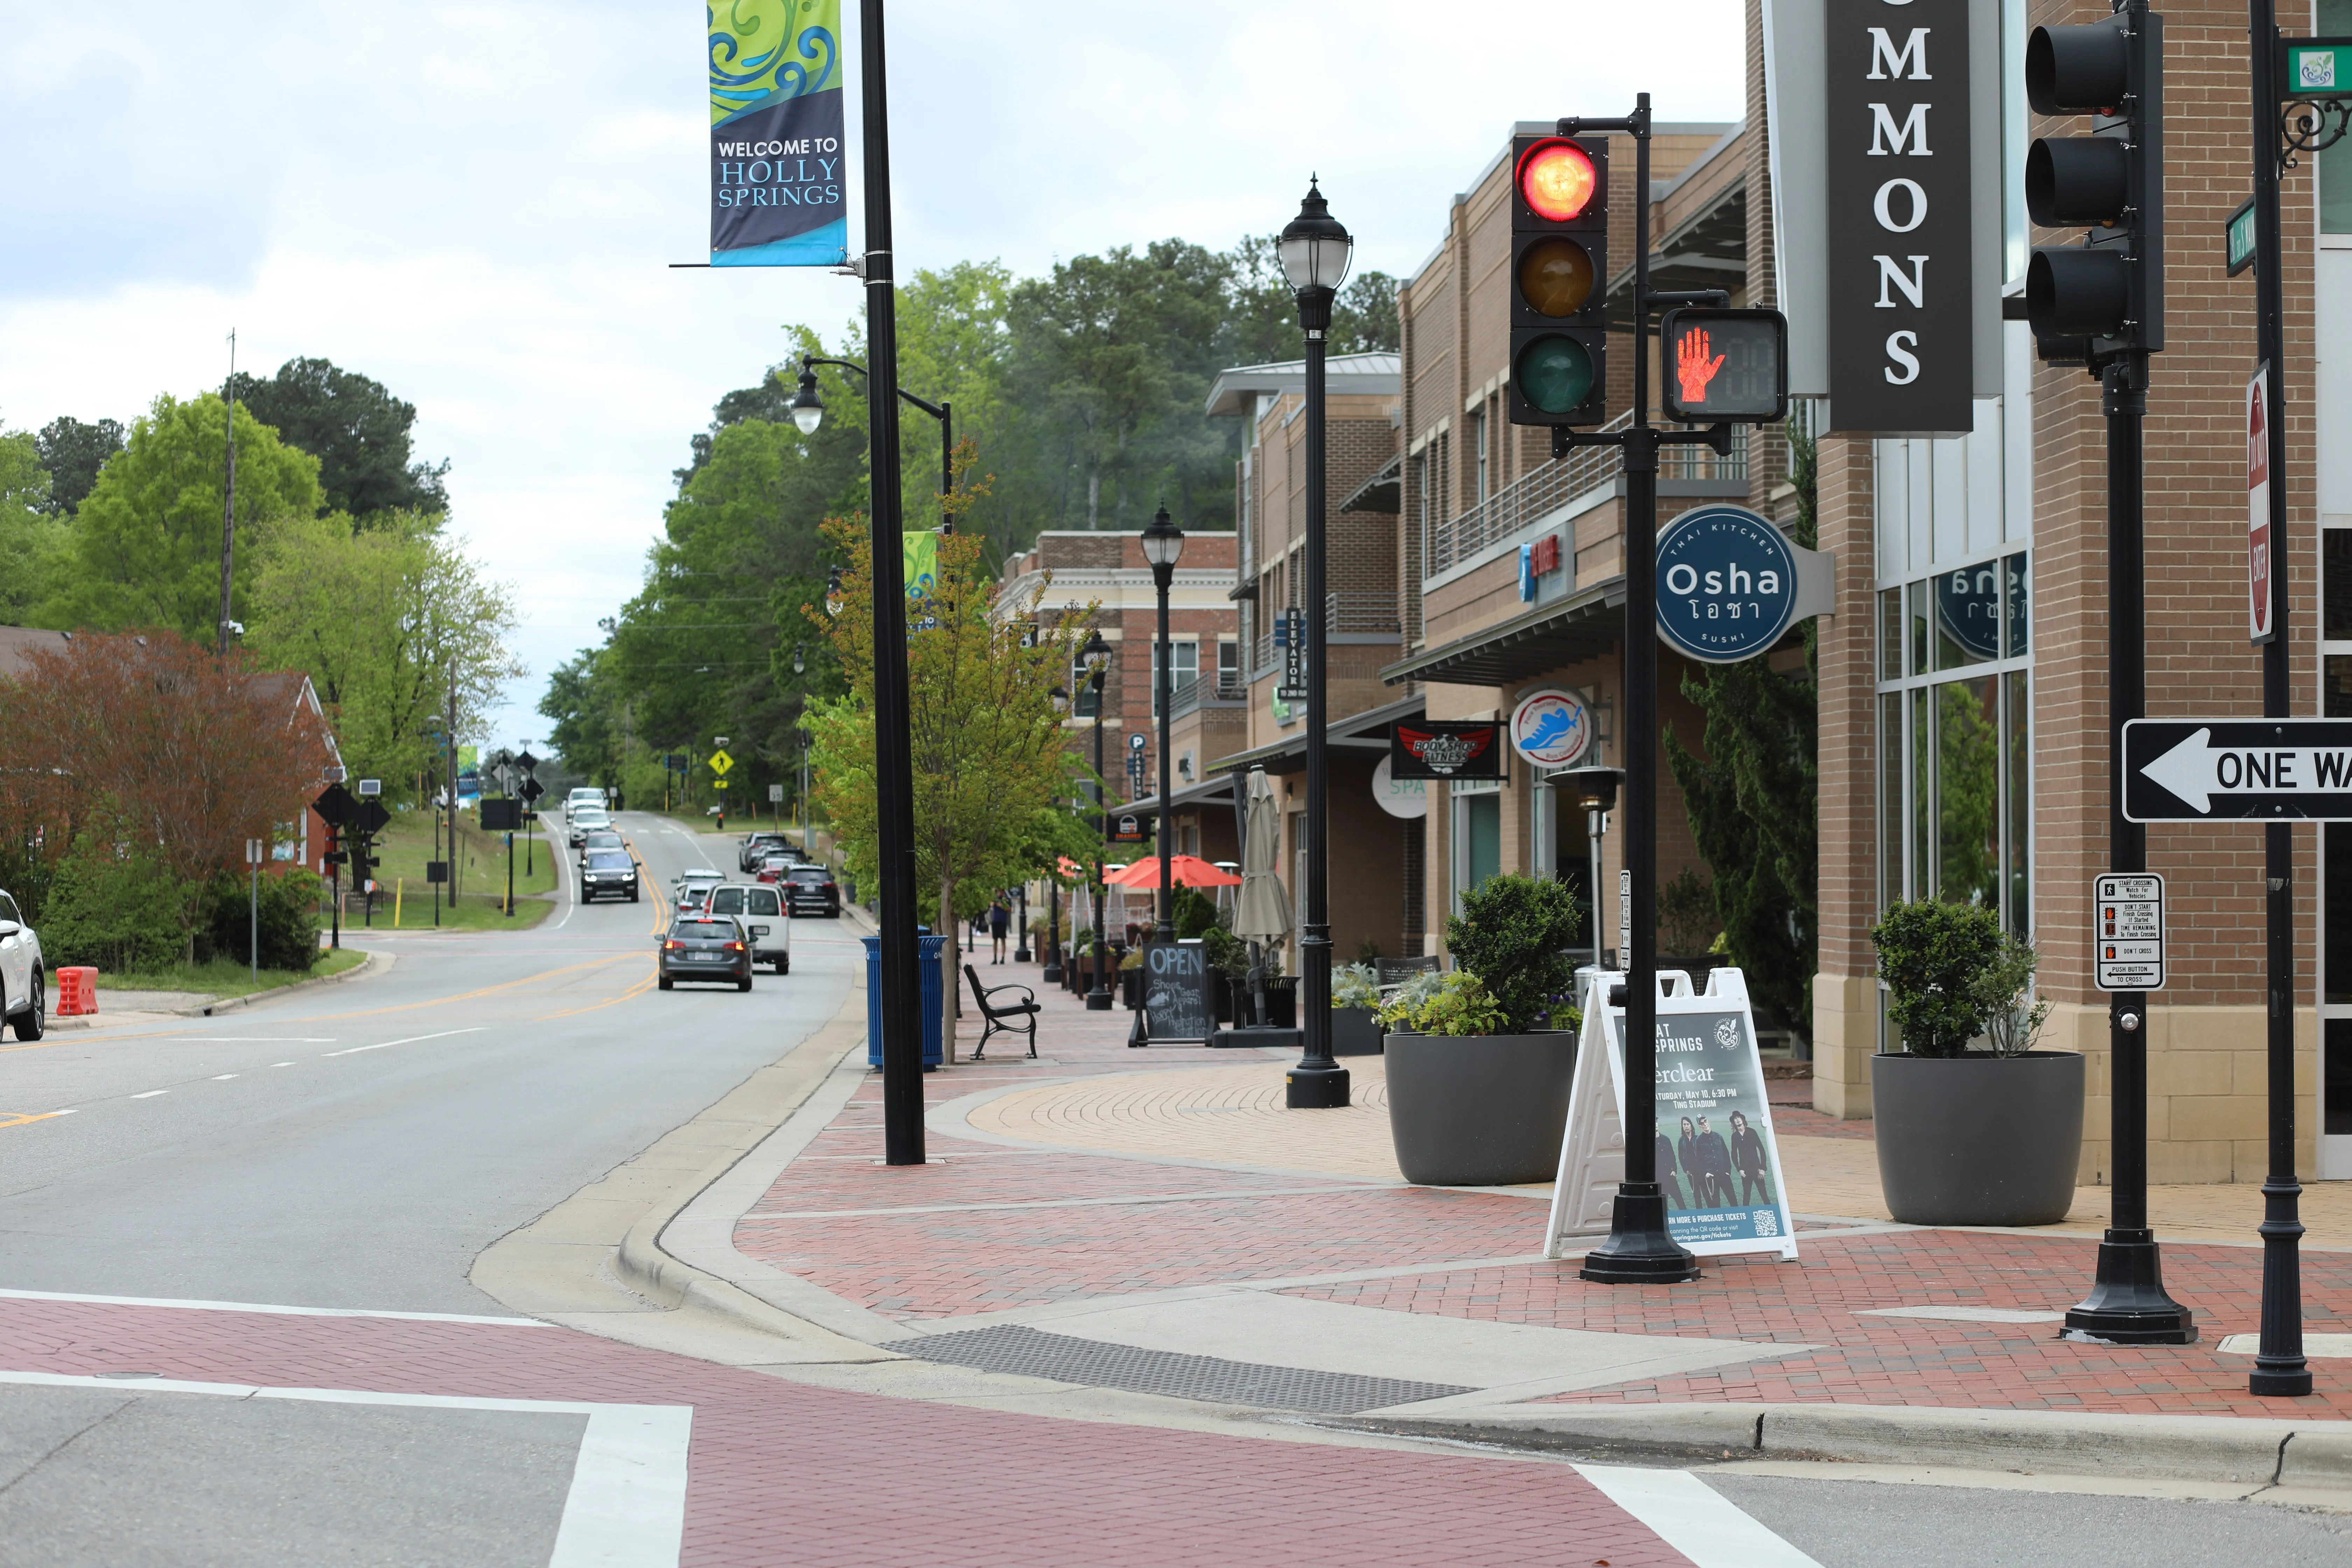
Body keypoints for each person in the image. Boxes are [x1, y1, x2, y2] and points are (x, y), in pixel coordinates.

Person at [1729, 1110, 1772, 1207]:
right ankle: (1746, 1218)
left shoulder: (1752, 1132)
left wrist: (1763, 1168)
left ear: (1743, 1119)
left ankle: (1772, 1214)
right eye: (1735, 1119)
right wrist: (1739, 1169)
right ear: (1734, 1123)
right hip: (1745, 1171)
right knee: (1746, 1196)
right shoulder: (1735, 1136)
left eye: (1738, 1118)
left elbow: (1762, 1150)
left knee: (1764, 1194)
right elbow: (1734, 1155)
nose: (1737, 1120)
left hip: (1757, 1169)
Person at [1693, 1115, 1734, 1209]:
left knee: (1733, 1201)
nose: (1705, 1124)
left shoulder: (1718, 1136)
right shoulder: (1699, 1140)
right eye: (1702, 1123)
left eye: (1705, 1121)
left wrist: (1728, 1171)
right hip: (1711, 1177)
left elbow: (1726, 1154)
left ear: (1708, 1121)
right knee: (1716, 1204)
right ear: (1700, 1126)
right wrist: (1705, 1173)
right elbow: (1699, 1160)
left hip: (1724, 1174)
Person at [1656, 1126, 1688, 1211]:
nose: (1655, 1125)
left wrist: (1675, 1170)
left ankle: (1687, 1222)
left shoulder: (1666, 1139)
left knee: (1681, 1203)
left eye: (1656, 1123)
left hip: (1671, 1177)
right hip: (1660, 1181)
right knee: (1663, 1207)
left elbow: (1672, 1156)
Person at [1675, 1117, 1703, 1208]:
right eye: (1684, 1125)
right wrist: (1686, 1170)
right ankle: (1700, 1213)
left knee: (1707, 1193)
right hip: (1691, 1173)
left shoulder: (1698, 1138)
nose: (1686, 1126)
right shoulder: (1681, 1141)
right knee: (1697, 1195)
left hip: (1701, 1171)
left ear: (1691, 1126)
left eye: (1688, 1124)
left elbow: (1703, 1154)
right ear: (1682, 1127)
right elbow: (1681, 1157)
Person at [989, 895, 1011, 964]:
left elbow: (1010, 909)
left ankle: (1003, 958)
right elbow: (991, 904)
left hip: (1002, 921)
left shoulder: (1006, 899)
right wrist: (994, 903)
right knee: (995, 940)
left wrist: (1002, 906)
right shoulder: (995, 898)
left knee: (1003, 940)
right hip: (995, 921)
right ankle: (995, 958)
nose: (999, 893)